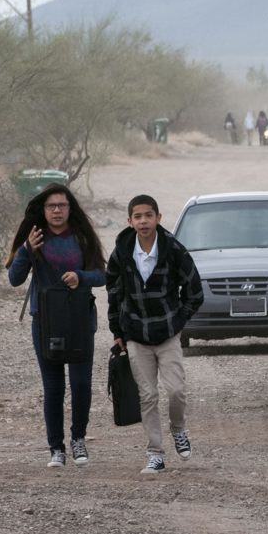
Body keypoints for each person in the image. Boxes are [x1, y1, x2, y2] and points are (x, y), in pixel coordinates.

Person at [6, 183, 106, 468]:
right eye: (52, 206)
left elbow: (103, 275)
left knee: (81, 384)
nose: (57, 210)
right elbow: (14, 279)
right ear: (44, 210)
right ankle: (56, 449)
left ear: (69, 208)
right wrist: (26, 249)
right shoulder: (35, 237)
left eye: (62, 205)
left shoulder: (82, 238)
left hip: (79, 320)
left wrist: (80, 277)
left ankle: (78, 440)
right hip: (45, 323)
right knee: (53, 388)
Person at [106, 194, 204, 474]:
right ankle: (155, 453)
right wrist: (117, 329)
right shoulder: (122, 251)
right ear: (129, 221)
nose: (143, 221)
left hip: (168, 334)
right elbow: (112, 289)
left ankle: (179, 429)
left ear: (158, 218)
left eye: (148, 215)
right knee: (147, 396)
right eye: (137, 216)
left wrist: (178, 320)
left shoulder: (173, 249)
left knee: (176, 391)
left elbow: (195, 292)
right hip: (136, 334)